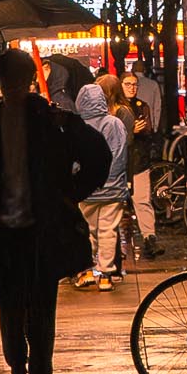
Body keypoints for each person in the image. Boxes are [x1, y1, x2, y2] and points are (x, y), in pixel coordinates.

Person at [0, 47, 110, 374]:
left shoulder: (52, 119)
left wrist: (72, 192)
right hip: (4, 229)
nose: (11, 85)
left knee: (35, 307)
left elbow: (97, 155)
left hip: (39, 229)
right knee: (15, 307)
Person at [74, 78, 128, 291]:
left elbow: (73, 159)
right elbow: (120, 156)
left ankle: (86, 270)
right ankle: (105, 274)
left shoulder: (78, 127)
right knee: (108, 230)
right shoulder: (114, 123)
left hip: (85, 190)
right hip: (112, 188)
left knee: (87, 230)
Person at [120, 69, 162, 261]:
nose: (132, 88)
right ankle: (117, 244)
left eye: (134, 84)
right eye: (128, 84)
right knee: (117, 205)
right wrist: (131, 130)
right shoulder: (116, 107)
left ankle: (149, 238)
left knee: (142, 200)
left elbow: (147, 128)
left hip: (139, 161)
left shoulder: (141, 106)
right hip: (121, 163)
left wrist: (137, 131)